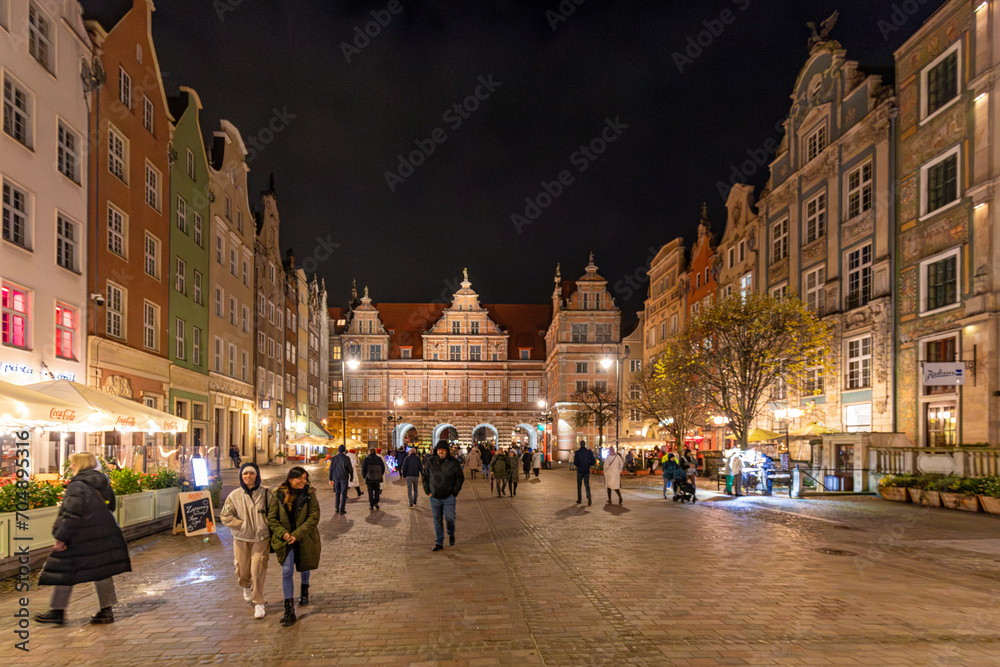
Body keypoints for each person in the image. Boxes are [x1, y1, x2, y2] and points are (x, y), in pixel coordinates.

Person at [35, 452, 131, 625]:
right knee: (102, 570)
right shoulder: (102, 481)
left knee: (64, 569)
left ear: (80, 464)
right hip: (102, 533)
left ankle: (57, 612)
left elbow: (71, 514)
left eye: (72, 464)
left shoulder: (77, 485)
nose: (71, 466)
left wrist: (61, 537)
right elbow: (111, 505)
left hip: (81, 535)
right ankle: (106, 611)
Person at [268, 467, 320, 627]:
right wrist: (283, 533)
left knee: (305, 565)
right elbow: (272, 518)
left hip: (304, 537)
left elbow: (314, 517)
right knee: (287, 570)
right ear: (290, 479)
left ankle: (304, 590)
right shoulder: (278, 494)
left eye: (305, 478)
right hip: (285, 539)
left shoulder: (310, 494)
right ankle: (289, 610)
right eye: (299, 478)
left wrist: (297, 534)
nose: (303, 481)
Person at [220, 462, 271, 619]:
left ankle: (259, 602)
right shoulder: (234, 496)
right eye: (245, 474)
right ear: (241, 477)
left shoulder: (266, 493)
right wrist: (241, 525)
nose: (248, 476)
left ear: (257, 475)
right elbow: (225, 516)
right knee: (243, 570)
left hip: (261, 538)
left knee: (258, 569)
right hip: (241, 538)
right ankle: (245, 584)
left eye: (251, 473)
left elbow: (274, 513)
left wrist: (266, 526)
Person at [422, 440, 465, 551]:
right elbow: (425, 477)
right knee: (437, 520)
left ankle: (451, 533)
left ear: (447, 451)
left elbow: (460, 478)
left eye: (443, 450)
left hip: (449, 497)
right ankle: (439, 542)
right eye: (439, 449)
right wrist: (428, 491)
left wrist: (454, 492)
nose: (441, 451)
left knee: (449, 518)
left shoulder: (453, 462)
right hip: (434, 497)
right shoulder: (430, 461)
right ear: (436, 451)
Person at [328, 445, 353, 515]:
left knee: (337, 492)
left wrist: (330, 478)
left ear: (338, 451)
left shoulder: (334, 458)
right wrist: (352, 476)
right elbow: (350, 469)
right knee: (344, 493)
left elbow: (331, 469)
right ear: (344, 451)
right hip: (344, 477)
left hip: (336, 478)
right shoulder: (346, 458)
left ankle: (336, 507)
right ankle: (342, 509)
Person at [573, 441, 596, 505]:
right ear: (585, 444)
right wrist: (588, 465)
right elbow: (593, 461)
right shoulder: (589, 452)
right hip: (586, 470)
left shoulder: (577, 452)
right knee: (587, 484)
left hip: (580, 470)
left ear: (580, 445)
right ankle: (589, 496)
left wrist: (579, 466)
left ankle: (579, 499)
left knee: (579, 485)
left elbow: (575, 462)